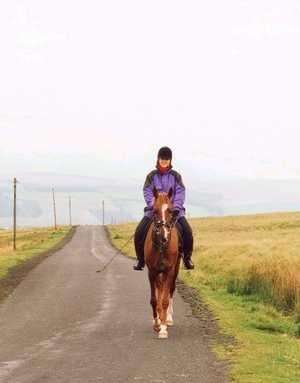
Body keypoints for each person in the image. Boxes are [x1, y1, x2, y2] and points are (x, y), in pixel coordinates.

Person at [133, 146, 194, 271]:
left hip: (173, 211)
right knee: (139, 232)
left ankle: (187, 259)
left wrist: (175, 207)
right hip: (154, 211)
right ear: (158, 159)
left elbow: (180, 191)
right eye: (162, 159)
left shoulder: (176, 176)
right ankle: (141, 259)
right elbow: (147, 191)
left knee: (188, 232)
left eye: (166, 160)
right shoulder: (151, 176)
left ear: (170, 161)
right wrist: (153, 205)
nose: (164, 161)